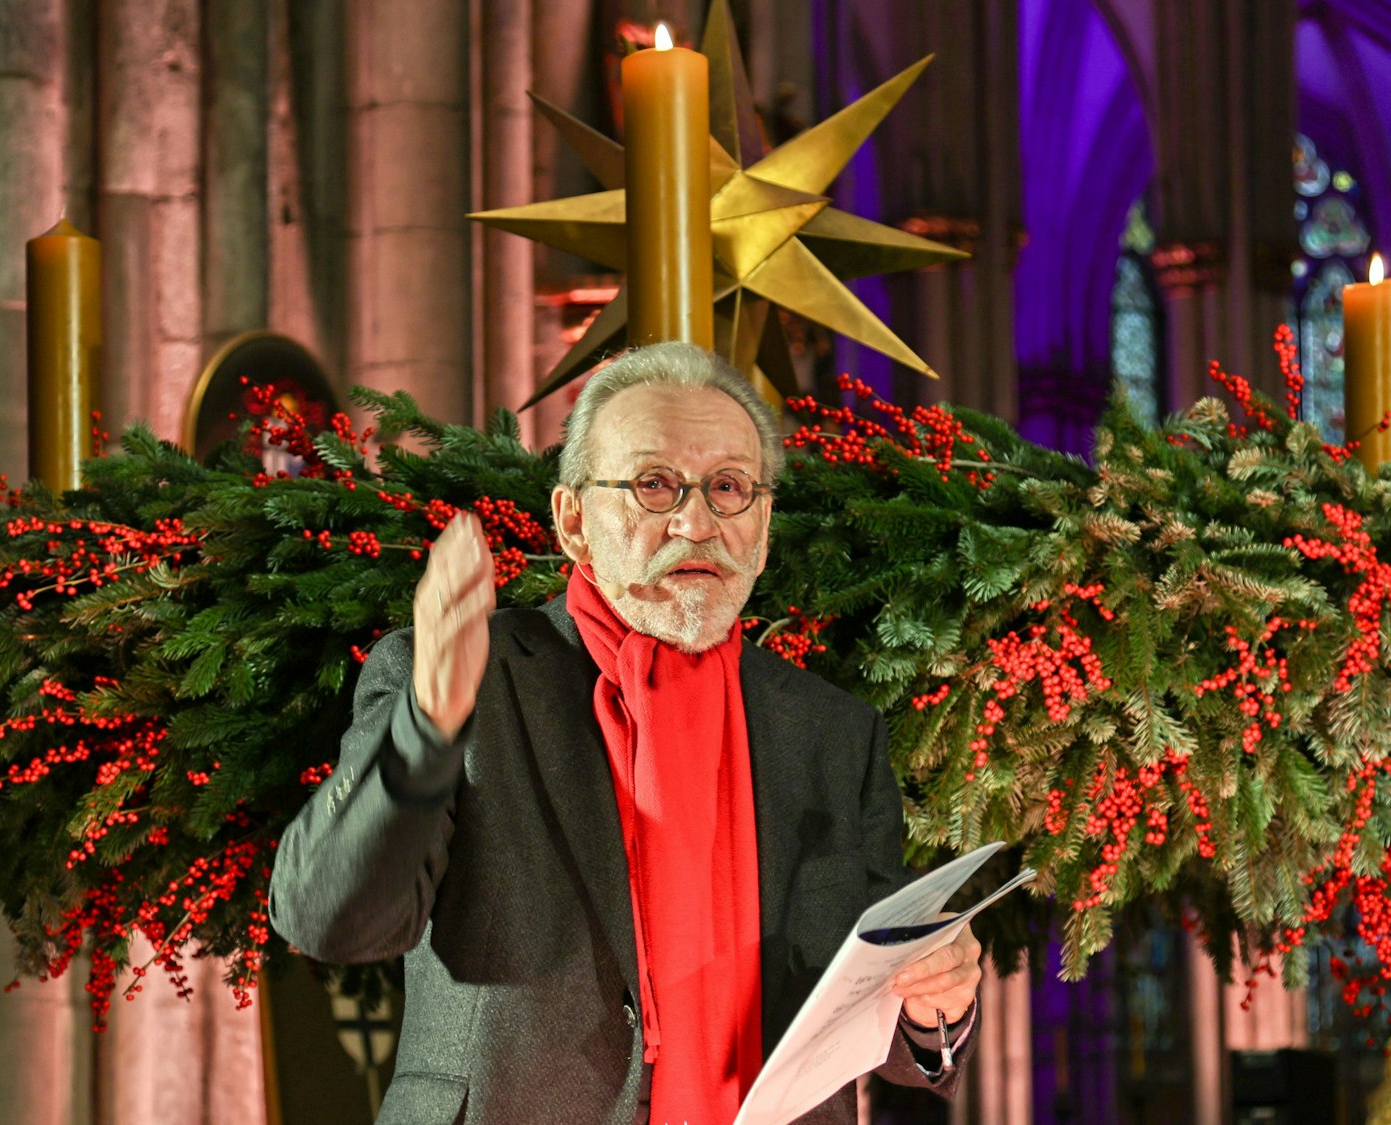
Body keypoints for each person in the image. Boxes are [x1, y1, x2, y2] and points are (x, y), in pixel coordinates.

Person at [271, 341, 983, 1124]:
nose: (697, 520)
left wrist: (932, 1008)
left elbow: (860, 1009)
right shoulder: (466, 679)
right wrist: (425, 727)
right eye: (653, 484)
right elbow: (327, 919)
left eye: (729, 488)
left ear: (765, 524)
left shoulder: (831, 732)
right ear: (573, 521)